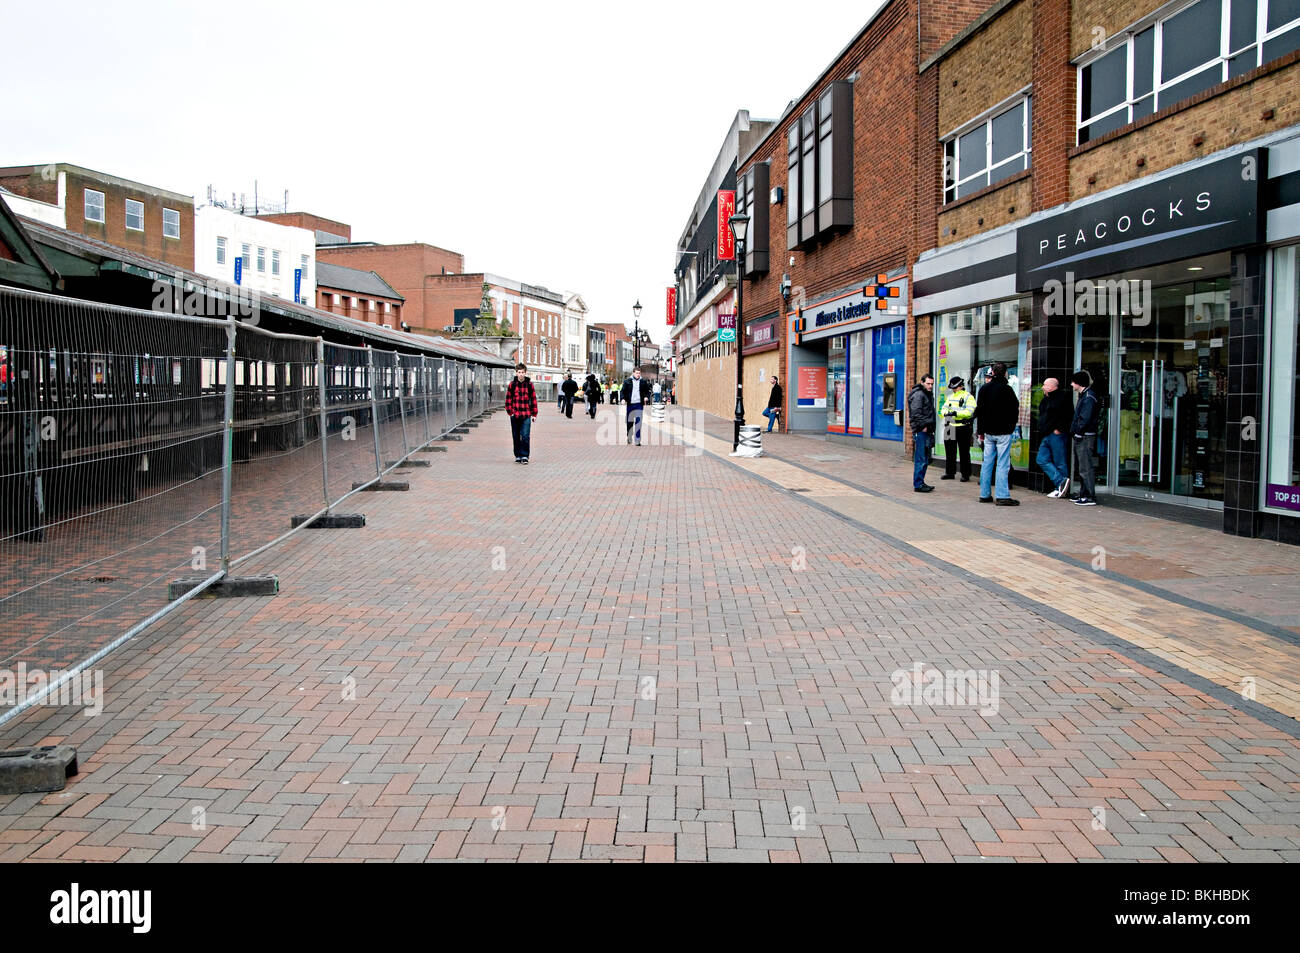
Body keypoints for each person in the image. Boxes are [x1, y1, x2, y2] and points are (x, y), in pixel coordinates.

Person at [974, 363, 1020, 505]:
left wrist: (980, 431)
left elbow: (979, 411)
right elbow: (1014, 409)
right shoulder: (1007, 390)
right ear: (1005, 373)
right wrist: (1011, 426)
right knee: (1002, 464)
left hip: (988, 432)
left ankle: (985, 494)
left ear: (992, 372)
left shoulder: (984, 389)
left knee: (987, 462)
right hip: (1003, 431)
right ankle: (1002, 496)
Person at [1036, 377, 1072, 498]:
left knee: (1060, 461)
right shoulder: (1046, 399)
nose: (1042, 387)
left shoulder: (1062, 398)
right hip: (1047, 434)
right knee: (1041, 459)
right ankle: (1060, 482)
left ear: (1052, 387)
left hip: (1056, 434)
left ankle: (1060, 488)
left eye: (1045, 385)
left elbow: (1068, 415)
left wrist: (1059, 429)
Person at [1069, 371, 1101, 506]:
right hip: (1084, 434)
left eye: (1073, 382)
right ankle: (1084, 493)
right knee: (1082, 466)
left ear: (1078, 383)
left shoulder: (1088, 397)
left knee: (1085, 466)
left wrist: (1078, 432)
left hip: (1085, 436)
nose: (1071, 384)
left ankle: (1089, 495)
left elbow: (1085, 418)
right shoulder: (1086, 395)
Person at [939, 376, 975, 481]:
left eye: (955, 387)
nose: (953, 389)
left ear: (960, 386)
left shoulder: (969, 397)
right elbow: (943, 408)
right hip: (950, 426)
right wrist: (947, 413)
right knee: (949, 452)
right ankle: (950, 472)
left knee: (964, 452)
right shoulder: (950, 396)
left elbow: (970, 411)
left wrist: (956, 413)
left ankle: (965, 474)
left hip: (963, 427)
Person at [907, 374, 936, 492]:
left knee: (924, 459)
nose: (930, 386)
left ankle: (921, 482)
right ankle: (918, 484)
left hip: (926, 430)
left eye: (932, 384)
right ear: (922, 382)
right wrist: (923, 426)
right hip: (921, 431)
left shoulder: (926, 394)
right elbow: (916, 414)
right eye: (928, 383)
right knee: (921, 458)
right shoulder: (919, 395)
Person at [505, 362, 538, 464]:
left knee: (525, 436)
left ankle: (524, 455)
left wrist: (534, 414)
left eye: (522, 372)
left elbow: (533, 399)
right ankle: (518, 455)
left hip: (526, 415)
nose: (521, 374)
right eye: (519, 372)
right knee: (516, 436)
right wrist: (510, 412)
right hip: (515, 414)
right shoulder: (512, 385)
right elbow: (508, 399)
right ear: (516, 373)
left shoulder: (529, 385)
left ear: (525, 373)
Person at [621, 368, 652, 445]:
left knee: (638, 422)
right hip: (630, 404)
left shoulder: (643, 382)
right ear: (633, 373)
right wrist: (622, 399)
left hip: (639, 404)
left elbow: (647, 391)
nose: (638, 374)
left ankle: (637, 440)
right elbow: (622, 391)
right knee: (629, 422)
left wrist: (646, 397)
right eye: (637, 373)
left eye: (639, 373)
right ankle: (629, 436)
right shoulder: (627, 381)